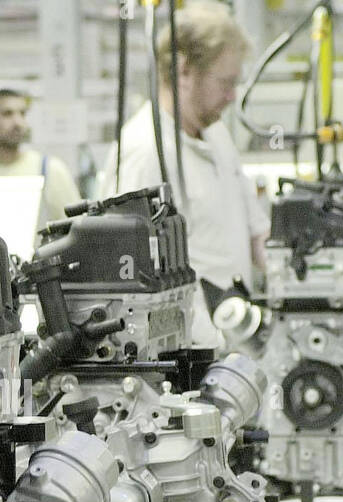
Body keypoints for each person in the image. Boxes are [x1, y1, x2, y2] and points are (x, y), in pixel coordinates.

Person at [100, 1, 269, 343]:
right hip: (185, 357)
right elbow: (124, 278)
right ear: (183, 71)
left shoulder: (217, 135)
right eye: (225, 83)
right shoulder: (144, 151)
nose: (232, 96)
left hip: (235, 343)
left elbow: (258, 235)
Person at [0, 89, 81, 224]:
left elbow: (78, 227)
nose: (18, 122)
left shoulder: (51, 170)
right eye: (7, 114)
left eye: (22, 113)